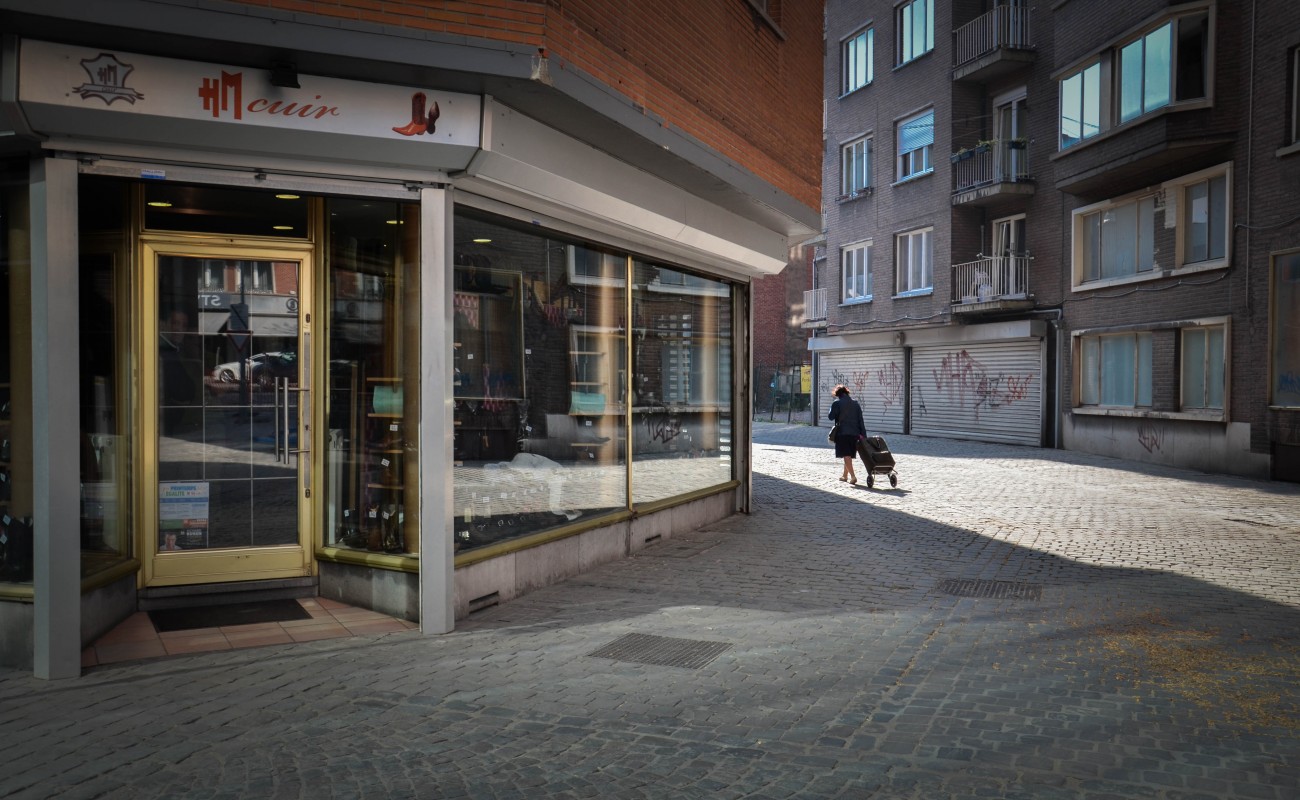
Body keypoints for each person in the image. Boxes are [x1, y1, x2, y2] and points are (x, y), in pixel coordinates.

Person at [828, 384, 866, 485]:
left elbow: (830, 417)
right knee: (848, 454)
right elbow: (861, 420)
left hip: (842, 433)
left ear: (837, 394)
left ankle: (853, 476)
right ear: (847, 392)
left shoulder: (837, 403)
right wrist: (863, 435)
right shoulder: (856, 404)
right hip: (855, 434)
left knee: (846, 454)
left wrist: (832, 408)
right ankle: (845, 475)